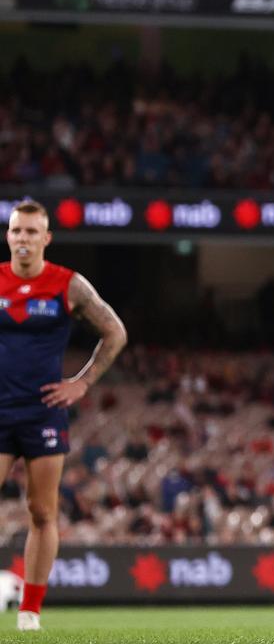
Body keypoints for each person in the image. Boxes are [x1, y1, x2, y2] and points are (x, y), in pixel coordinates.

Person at [1, 200, 127, 632]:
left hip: (43, 413)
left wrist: (83, 382)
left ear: (47, 238)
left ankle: (30, 611)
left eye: (32, 232)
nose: (23, 239)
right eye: (17, 231)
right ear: (8, 236)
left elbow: (115, 331)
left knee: (41, 511)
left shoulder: (67, 285)